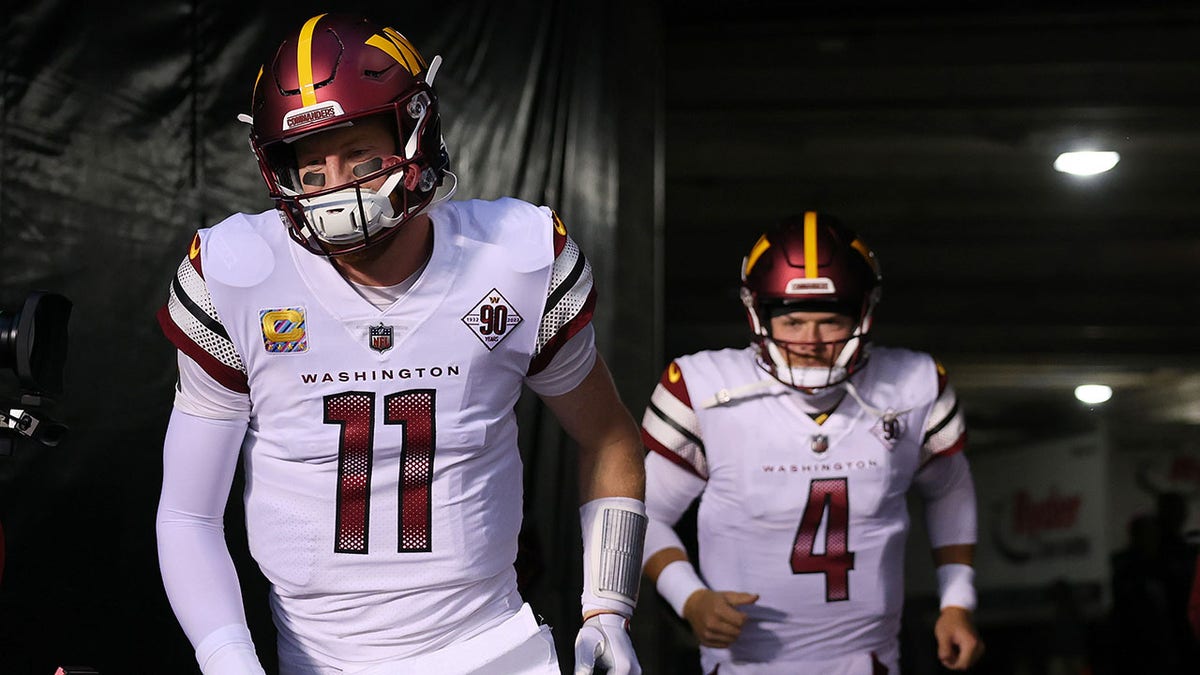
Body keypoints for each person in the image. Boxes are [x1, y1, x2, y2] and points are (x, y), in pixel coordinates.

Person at [154, 13, 646, 675]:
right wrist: (229, 659)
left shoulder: (514, 258)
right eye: (311, 163)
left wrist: (608, 608)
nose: (337, 183)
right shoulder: (239, 274)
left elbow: (608, 436)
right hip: (319, 659)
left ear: (414, 130)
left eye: (358, 152)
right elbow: (187, 513)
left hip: (494, 650)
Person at [639, 212, 984, 674]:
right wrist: (689, 597)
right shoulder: (706, 386)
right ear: (757, 312)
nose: (811, 341)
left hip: (869, 661)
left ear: (863, 312)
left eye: (830, 321)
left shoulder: (914, 384)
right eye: (794, 321)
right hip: (744, 665)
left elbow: (949, 489)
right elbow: (641, 512)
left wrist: (957, 601)